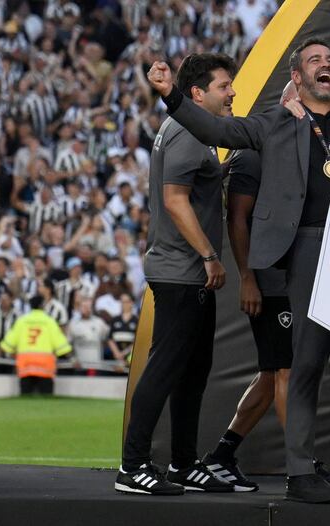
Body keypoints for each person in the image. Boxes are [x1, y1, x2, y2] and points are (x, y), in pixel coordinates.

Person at [145, 40, 330, 503]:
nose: (326, 65)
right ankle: (299, 473)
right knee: (304, 363)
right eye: (314, 61)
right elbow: (215, 129)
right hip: (309, 246)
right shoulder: (276, 121)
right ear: (296, 77)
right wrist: (170, 94)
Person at [115, 53, 236, 496]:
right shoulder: (188, 130)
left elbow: (193, 185)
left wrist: (223, 170)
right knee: (165, 368)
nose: (233, 93)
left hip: (185, 271)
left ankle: (183, 463)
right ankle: (132, 467)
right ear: (198, 93)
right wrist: (209, 255)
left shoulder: (191, 131)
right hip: (183, 271)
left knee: (192, 370)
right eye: (225, 86)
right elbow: (175, 200)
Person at [200, 149, 290, 493]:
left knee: (271, 374)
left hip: (289, 279)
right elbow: (236, 218)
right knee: (286, 371)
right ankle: (300, 466)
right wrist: (248, 279)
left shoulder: (303, 149)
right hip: (270, 282)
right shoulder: (254, 155)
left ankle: (223, 453)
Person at [0, 295, 72, 395]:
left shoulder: (22, 321)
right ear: (42, 305)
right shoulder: (49, 321)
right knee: (46, 400)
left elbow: (8, 344)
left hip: (25, 365)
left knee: (25, 399)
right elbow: (62, 346)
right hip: (45, 366)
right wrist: (73, 359)